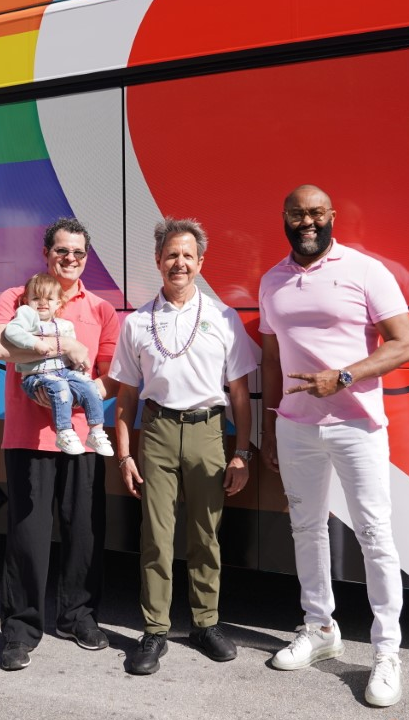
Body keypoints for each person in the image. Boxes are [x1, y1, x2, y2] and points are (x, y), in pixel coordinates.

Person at [258, 185, 409, 707]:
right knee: (305, 528)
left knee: (374, 534)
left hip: (357, 425)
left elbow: (405, 344)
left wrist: (343, 376)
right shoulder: (271, 280)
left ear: (331, 217)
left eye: (316, 213)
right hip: (296, 426)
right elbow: (271, 358)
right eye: (297, 214)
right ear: (285, 218)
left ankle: (387, 652)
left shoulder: (366, 271)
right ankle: (320, 628)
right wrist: (269, 424)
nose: (307, 222)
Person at [109, 218, 257, 675]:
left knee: (206, 535)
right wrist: (124, 454)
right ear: (158, 261)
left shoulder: (222, 318)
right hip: (154, 432)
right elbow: (127, 396)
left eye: (187, 255)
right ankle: (154, 630)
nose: (179, 262)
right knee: (155, 537)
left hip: (208, 434)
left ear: (200, 263)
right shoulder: (137, 322)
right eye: (171, 254)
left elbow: (238, 393)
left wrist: (243, 452)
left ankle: (205, 624)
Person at [0, 217, 121, 671]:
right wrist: (61, 354)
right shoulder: (19, 297)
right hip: (27, 436)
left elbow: (110, 375)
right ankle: (21, 630)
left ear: (87, 258)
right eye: (62, 251)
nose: (70, 259)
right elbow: (0, 348)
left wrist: (83, 396)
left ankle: (78, 616)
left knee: (83, 531)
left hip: (82, 438)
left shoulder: (101, 309)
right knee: (28, 535)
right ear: (47, 254)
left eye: (78, 253)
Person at [2, 272, 115, 456]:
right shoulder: (27, 319)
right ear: (26, 301)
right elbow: (12, 332)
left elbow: (73, 354)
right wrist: (36, 344)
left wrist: (80, 366)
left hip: (63, 372)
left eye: (49, 298)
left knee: (88, 384)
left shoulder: (64, 325)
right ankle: (64, 430)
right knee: (60, 386)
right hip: (37, 377)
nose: (42, 303)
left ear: (58, 303)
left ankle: (95, 431)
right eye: (36, 298)